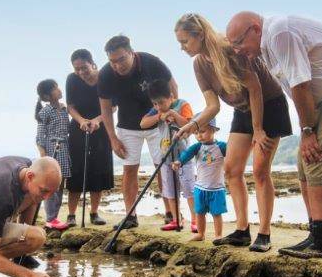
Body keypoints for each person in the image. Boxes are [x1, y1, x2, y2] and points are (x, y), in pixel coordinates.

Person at [227, 12, 322, 259]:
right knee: (305, 163)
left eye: (239, 42)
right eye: (233, 45)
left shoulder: (280, 33)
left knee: (317, 158)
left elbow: (300, 85)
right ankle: (315, 235)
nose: (237, 50)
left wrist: (307, 131)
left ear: (255, 29)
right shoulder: (266, 47)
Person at [174, 13, 292, 253]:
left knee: (260, 170)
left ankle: (264, 234)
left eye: (185, 41)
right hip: (243, 109)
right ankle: (242, 231)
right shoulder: (199, 64)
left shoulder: (231, 50)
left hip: (269, 105)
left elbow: (255, 89)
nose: (182, 47)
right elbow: (212, 106)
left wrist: (258, 130)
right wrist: (191, 125)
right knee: (231, 169)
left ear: (200, 35)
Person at [97, 34, 177, 229]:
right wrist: (113, 138)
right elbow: (105, 109)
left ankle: (171, 213)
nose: (117, 65)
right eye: (113, 61)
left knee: (162, 167)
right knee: (129, 168)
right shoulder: (106, 74)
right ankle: (130, 216)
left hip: (157, 122)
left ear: (131, 52)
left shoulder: (152, 62)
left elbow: (173, 88)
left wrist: (172, 116)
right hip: (127, 126)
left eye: (121, 59)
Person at [140, 78, 196, 233]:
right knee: (170, 191)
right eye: (155, 104)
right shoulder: (157, 111)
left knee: (189, 189)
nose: (158, 106)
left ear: (171, 97)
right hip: (166, 158)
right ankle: (176, 220)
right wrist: (159, 116)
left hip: (184, 157)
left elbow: (189, 124)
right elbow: (143, 123)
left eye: (161, 103)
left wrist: (173, 114)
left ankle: (196, 220)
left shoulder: (183, 105)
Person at [64, 48, 113, 226]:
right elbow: (70, 106)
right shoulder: (72, 79)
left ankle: (94, 213)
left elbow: (113, 107)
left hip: (102, 126)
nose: (81, 72)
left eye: (84, 67)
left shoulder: (105, 78)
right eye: (77, 69)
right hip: (79, 127)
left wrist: (97, 120)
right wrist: (81, 121)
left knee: (98, 170)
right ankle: (71, 215)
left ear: (92, 64)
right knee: (76, 170)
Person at [173, 119, 227, 242]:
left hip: (217, 188)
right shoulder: (197, 147)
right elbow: (186, 154)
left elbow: (235, 153)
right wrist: (179, 162)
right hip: (200, 188)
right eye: (196, 133)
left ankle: (218, 235)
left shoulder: (221, 146)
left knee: (216, 213)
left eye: (202, 132)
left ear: (213, 130)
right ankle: (200, 234)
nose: (199, 136)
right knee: (199, 212)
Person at [35, 79, 71, 231]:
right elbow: (39, 137)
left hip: (64, 149)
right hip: (52, 150)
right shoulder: (45, 112)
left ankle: (54, 217)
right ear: (47, 96)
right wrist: (44, 158)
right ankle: (50, 218)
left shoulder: (63, 109)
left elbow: (67, 129)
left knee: (60, 184)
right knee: (51, 184)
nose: (59, 90)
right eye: (55, 88)